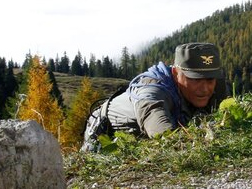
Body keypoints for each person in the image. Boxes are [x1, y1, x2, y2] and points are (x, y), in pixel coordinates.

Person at [81, 42, 226, 151]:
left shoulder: (216, 85)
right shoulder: (152, 94)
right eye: (195, 79)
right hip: (103, 134)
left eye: (210, 80)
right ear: (176, 73)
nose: (205, 88)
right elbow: (165, 138)